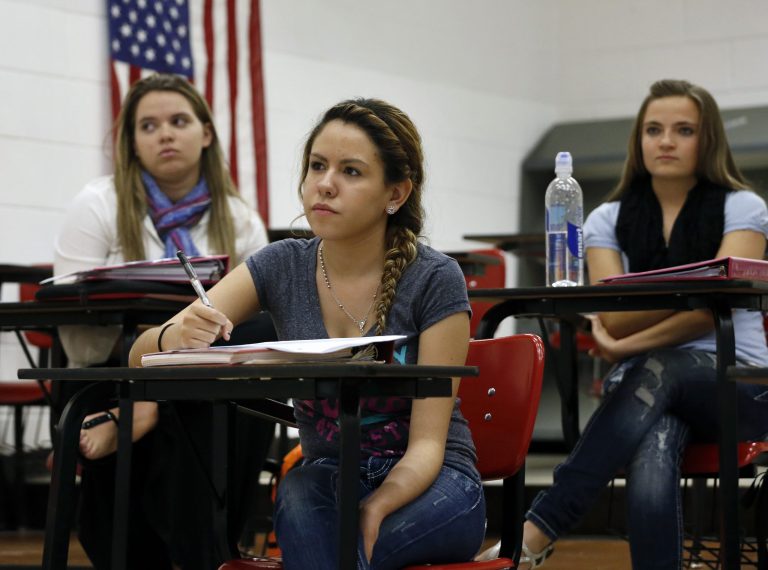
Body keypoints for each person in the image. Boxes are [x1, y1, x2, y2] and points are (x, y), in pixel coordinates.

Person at [129, 97, 487, 569]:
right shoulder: (282, 265)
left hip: (434, 481)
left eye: (351, 172)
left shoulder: (435, 277)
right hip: (328, 477)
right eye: (317, 165)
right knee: (302, 492)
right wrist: (172, 337)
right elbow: (140, 358)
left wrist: (379, 503)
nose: (325, 184)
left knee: (347, 549)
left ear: (395, 194)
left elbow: (426, 445)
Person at [480, 79, 768, 569]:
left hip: (737, 384)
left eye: (684, 130)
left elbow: (710, 305)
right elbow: (615, 311)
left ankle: (542, 524)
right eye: (654, 129)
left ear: (709, 139)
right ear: (639, 140)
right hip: (646, 392)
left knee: (662, 368)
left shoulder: (744, 207)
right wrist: (687, 294)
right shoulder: (606, 218)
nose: (666, 141)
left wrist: (625, 341)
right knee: (654, 445)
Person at [53, 73, 274, 569]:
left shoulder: (239, 218)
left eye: (179, 121)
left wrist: (169, 376)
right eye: (148, 125)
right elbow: (78, 338)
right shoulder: (98, 204)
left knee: (257, 344)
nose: (166, 134)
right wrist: (156, 355)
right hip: (110, 377)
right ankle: (207, 555)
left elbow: (257, 322)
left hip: (207, 377)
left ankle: (151, 407)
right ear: (132, 142)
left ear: (207, 133)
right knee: (209, 391)